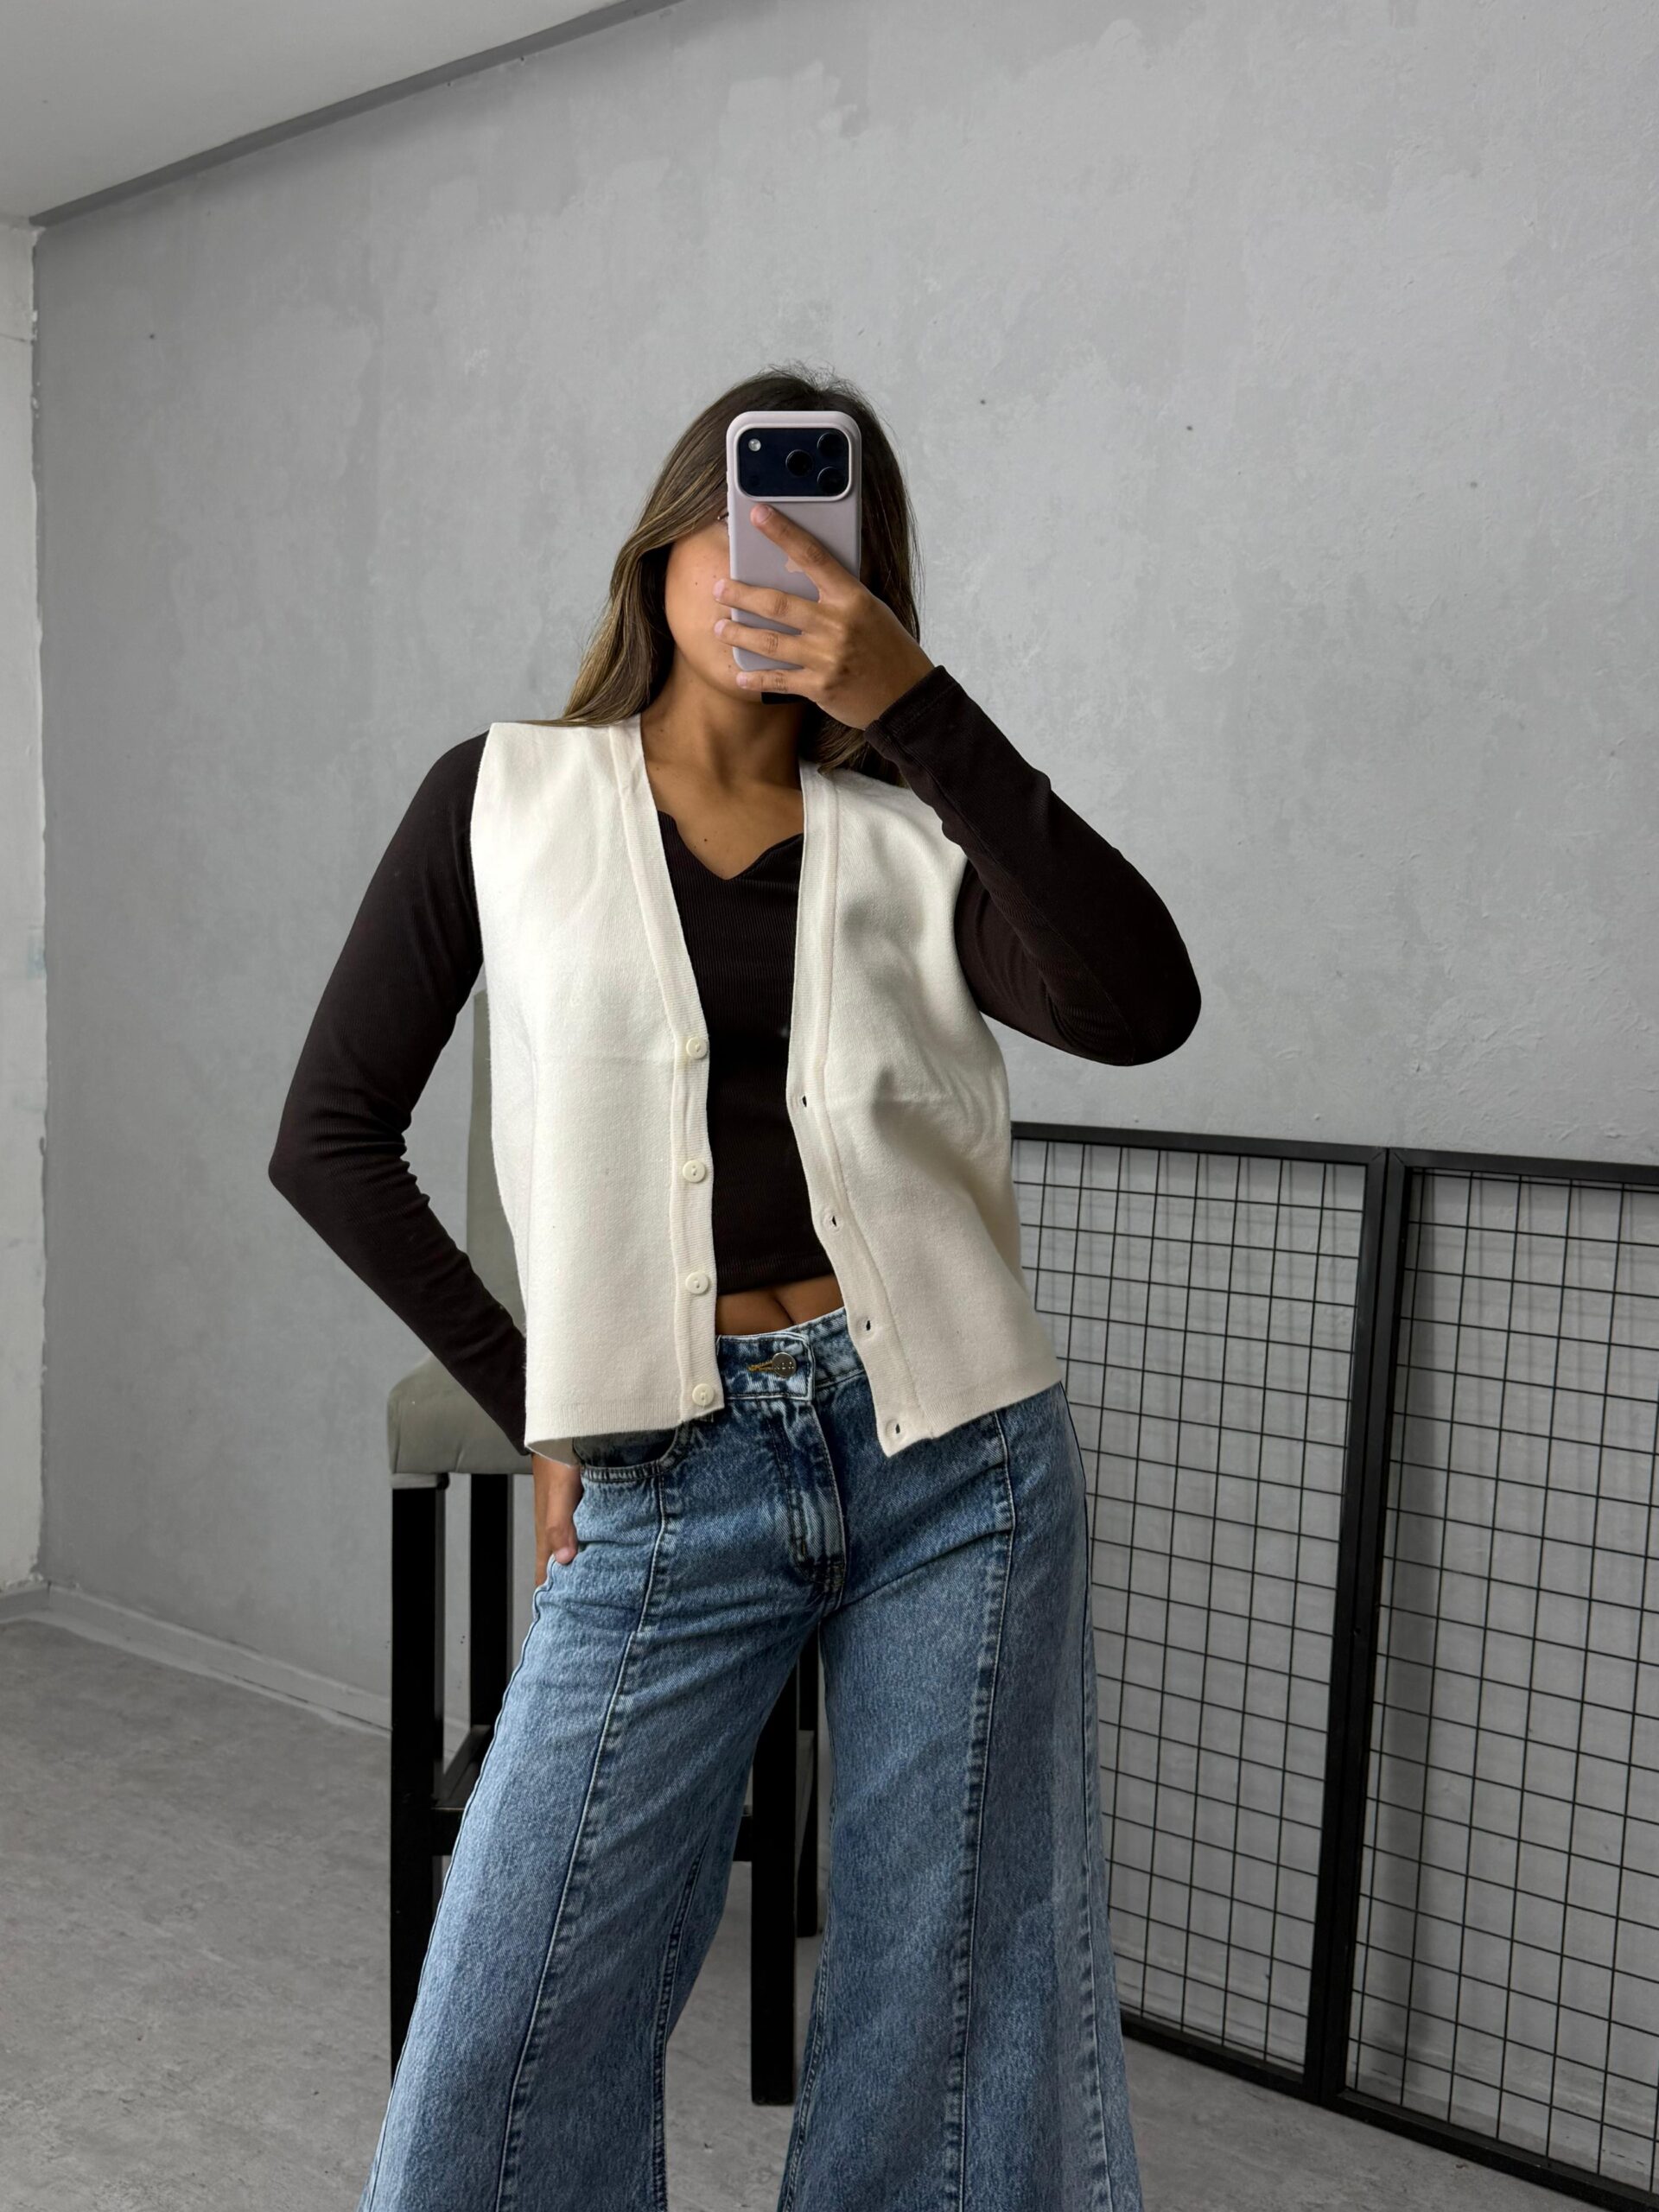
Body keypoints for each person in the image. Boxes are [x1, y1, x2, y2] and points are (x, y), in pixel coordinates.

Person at [269, 365, 1199, 2212]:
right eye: (740, 515)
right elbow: (329, 1136)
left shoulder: (914, 838)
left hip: (960, 1459)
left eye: (815, 530)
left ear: (868, 583)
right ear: (664, 542)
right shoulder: (505, 795)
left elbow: (1141, 1004)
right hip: (668, 1463)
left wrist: (918, 709)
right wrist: (547, 1400)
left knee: (947, 2007)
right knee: (512, 2028)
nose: (768, 562)